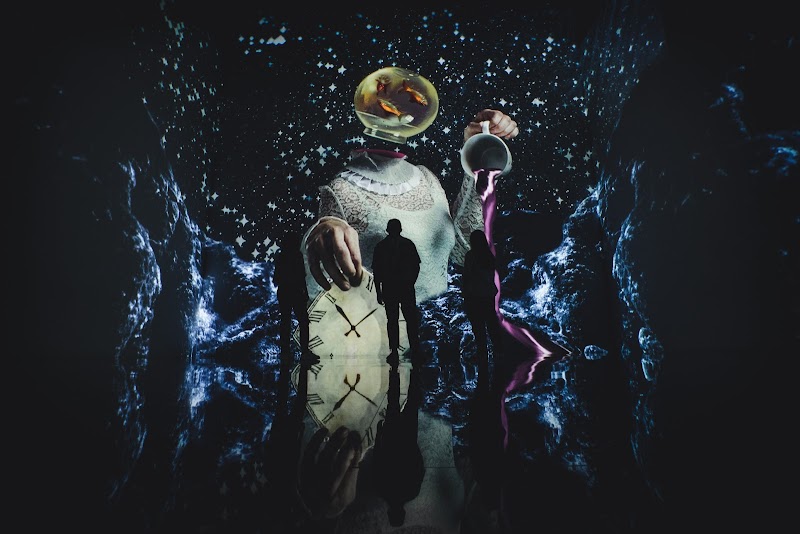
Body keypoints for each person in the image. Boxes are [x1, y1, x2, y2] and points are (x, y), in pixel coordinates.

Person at [302, 68, 518, 308]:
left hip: (439, 322)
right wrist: (323, 229)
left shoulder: (426, 177)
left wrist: (477, 145)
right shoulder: (342, 189)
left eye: (406, 98)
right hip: (382, 324)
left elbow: (460, 252)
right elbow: (319, 282)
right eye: (383, 98)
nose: (396, 106)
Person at [372, 218, 421, 360]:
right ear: (400, 229)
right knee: (410, 320)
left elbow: (377, 272)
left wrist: (378, 291)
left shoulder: (381, 247)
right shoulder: (408, 244)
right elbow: (416, 266)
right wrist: (411, 282)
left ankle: (394, 351)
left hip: (390, 288)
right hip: (405, 287)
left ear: (387, 230)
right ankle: (415, 349)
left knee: (392, 321)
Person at [461, 229, 502, 363]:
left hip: (474, 296)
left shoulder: (471, 256)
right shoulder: (489, 256)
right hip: (487, 295)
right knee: (491, 325)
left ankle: (482, 354)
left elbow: (467, 276)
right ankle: (498, 353)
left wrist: (465, 293)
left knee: (478, 328)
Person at [273, 230, 310, 356]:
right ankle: (305, 351)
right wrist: (305, 292)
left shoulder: (281, 256)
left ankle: (285, 352)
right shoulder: (297, 256)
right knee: (303, 322)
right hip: (296, 292)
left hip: (284, 292)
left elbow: (276, 279)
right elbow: (301, 276)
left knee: (285, 322)